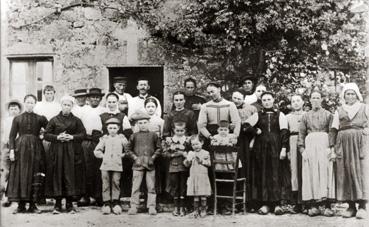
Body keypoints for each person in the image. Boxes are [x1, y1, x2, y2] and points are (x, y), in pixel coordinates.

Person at [245, 91, 291, 215]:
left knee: (276, 174)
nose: (267, 102)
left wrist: (284, 148)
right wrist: (255, 131)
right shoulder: (258, 114)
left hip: (276, 147)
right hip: (261, 149)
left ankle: (276, 204)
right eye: (264, 100)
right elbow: (246, 126)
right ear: (261, 102)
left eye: (269, 99)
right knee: (263, 174)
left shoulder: (280, 115)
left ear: (273, 100)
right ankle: (265, 204)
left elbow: (284, 132)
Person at [330, 83, 369, 219]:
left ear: (357, 95)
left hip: (361, 143)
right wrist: (332, 148)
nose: (350, 96)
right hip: (343, 144)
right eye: (348, 94)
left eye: (353, 93)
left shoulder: (364, 108)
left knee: (361, 172)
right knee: (345, 172)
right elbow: (333, 130)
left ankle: (363, 206)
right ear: (344, 96)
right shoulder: (339, 110)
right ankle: (351, 206)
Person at [44, 95, 86, 214]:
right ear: (61, 105)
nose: (66, 107)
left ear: (72, 106)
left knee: (70, 175)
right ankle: (57, 204)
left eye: (69, 105)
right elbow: (46, 135)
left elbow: (83, 134)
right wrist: (58, 137)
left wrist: (72, 137)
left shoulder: (77, 120)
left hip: (71, 151)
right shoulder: (54, 120)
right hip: (57, 151)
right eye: (65, 105)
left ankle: (69, 204)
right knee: (58, 174)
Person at [7, 94, 48, 214]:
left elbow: (50, 129)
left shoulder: (40, 118)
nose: (30, 104)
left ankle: (33, 205)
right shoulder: (18, 118)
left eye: (32, 102)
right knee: (21, 174)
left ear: (35, 104)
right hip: (21, 148)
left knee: (35, 173)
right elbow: (12, 136)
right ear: (24, 103)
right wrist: (12, 150)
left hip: (36, 148)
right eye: (28, 102)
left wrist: (43, 135)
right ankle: (21, 205)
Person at [298, 90, 335, 217]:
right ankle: (312, 205)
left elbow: (331, 132)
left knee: (325, 172)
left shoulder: (329, 114)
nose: (315, 100)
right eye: (313, 98)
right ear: (310, 100)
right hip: (310, 145)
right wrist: (302, 149)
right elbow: (301, 133)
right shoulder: (305, 116)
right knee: (311, 172)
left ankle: (325, 205)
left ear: (321, 99)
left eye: (318, 97)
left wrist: (331, 147)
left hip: (324, 144)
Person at [127, 111, 161, 215]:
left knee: (151, 186)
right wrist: (135, 158)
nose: (142, 125)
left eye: (145, 122)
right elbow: (128, 149)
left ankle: (151, 206)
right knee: (136, 186)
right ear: (137, 124)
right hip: (137, 165)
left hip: (150, 165)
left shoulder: (154, 135)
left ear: (149, 123)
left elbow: (159, 148)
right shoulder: (134, 136)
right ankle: (134, 206)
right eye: (140, 123)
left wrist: (153, 158)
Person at [94, 118, 129, 215]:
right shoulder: (104, 139)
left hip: (117, 164)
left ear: (118, 128)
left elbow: (128, 151)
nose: (112, 130)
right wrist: (104, 156)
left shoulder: (122, 139)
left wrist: (122, 156)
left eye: (114, 128)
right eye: (110, 128)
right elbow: (97, 151)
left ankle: (115, 202)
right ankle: (106, 203)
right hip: (105, 165)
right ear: (107, 129)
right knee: (105, 183)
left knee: (116, 182)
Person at [78, 88, 106, 207]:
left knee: (98, 168)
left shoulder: (104, 111)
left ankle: (98, 196)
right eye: (92, 97)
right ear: (88, 99)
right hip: (86, 141)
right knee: (85, 168)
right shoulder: (83, 111)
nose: (95, 99)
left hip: (99, 141)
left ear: (100, 99)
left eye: (97, 97)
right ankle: (85, 196)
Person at [231, 90, 257, 212]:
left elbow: (257, 127)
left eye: (238, 98)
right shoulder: (230, 108)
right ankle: (236, 203)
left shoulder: (252, 109)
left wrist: (253, 141)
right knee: (237, 170)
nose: (236, 100)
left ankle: (250, 202)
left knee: (249, 170)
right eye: (234, 98)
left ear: (243, 98)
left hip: (248, 141)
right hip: (236, 141)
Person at [162, 122, 190, 216]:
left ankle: (182, 207)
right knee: (175, 186)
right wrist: (174, 154)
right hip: (173, 167)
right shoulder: (169, 141)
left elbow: (191, 151)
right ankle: (176, 207)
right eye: (177, 130)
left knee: (183, 186)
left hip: (184, 167)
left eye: (182, 130)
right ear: (174, 130)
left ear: (185, 130)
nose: (179, 132)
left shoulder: (187, 141)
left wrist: (185, 154)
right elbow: (164, 153)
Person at [286, 94, 305, 213]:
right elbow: (284, 134)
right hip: (292, 141)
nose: (296, 103)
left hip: (305, 141)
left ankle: (306, 201)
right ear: (291, 104)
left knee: (305, 169)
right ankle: (296, 202)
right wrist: (287, 149)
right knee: (294, 171)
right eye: (293, 101)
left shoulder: (307, 115)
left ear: (303, 102)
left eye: (298, 100)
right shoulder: (287, 117)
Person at [184, 135, 211, 218]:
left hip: (202, 176)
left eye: (197, 144)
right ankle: (196, 210)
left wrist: (201, 161)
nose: (195, 146)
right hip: (194, 176)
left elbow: (209, 164)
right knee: (195, 194)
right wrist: (188, 160)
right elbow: (186, 165)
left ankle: (203, 209)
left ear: (202, 143)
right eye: (193, 145)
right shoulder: (191, 153)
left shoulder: (206, 153)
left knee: (203, 194)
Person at [1, 99, 22, 207]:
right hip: (6, 147)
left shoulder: (20, 120)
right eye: (11, 109)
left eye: (15, 109)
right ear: (8, 110)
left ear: (19, 110)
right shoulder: (5, 121)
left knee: (16, 172)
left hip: (18, 147)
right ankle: (5, 196)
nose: (13, 111)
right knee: (6, 172)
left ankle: (13, 197)